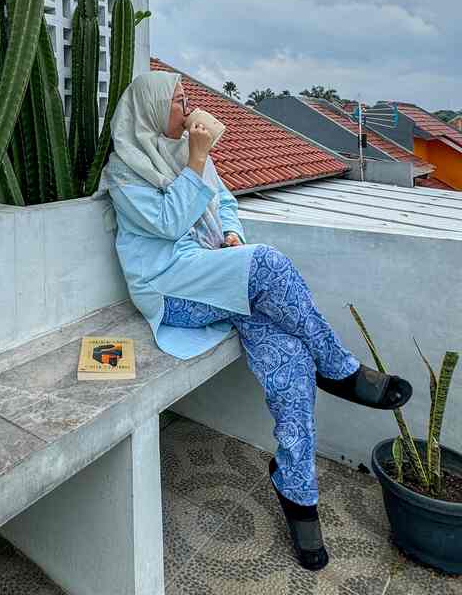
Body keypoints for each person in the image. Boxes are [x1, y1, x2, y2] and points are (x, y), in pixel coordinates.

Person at [96, 71, 412, 571]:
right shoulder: (125, 171)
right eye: (178, 102)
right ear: (153, 111)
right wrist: (198, 160)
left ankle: (297, 490)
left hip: (212, 273)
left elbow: (221, 201)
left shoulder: (185, 155)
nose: (187, 109)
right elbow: (168, 224)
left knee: (288, 359)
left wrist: (232, 234)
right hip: (171, 290)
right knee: (269, 265)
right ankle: (342, 369)